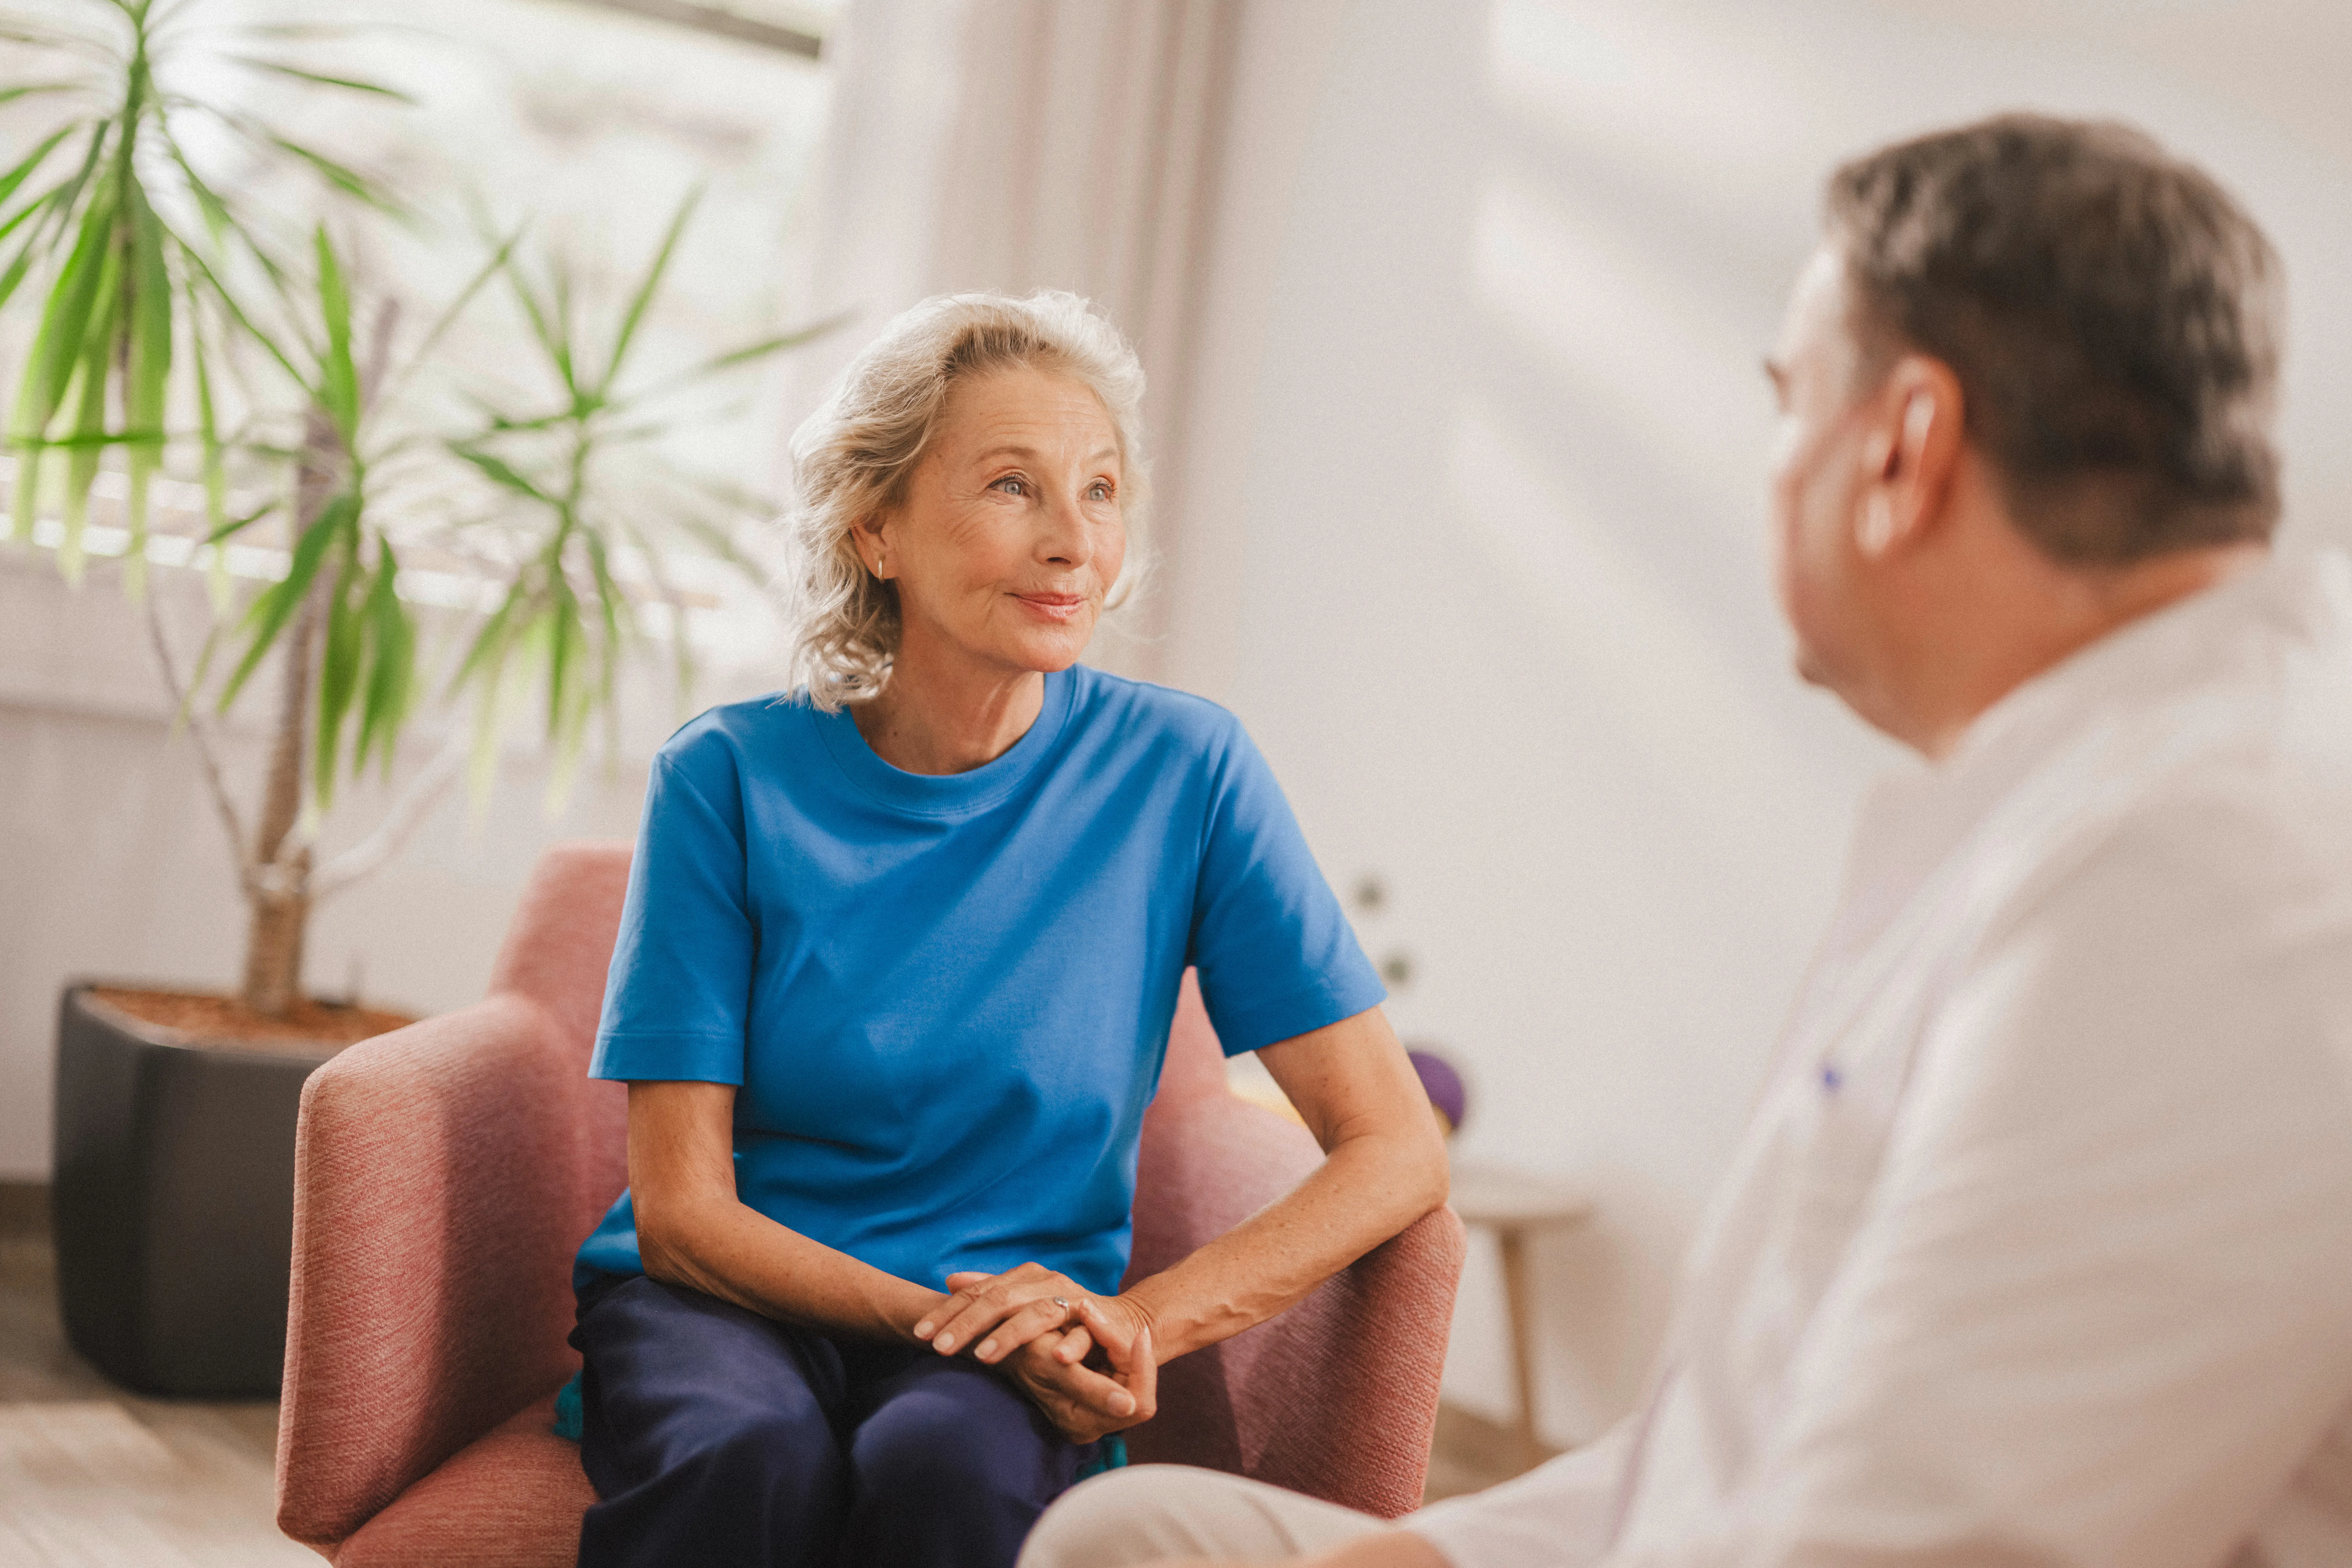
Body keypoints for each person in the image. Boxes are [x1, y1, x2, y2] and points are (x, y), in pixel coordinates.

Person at [1020, 114, 2352, 1568]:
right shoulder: (2096, 799)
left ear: (1905, 447)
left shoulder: (2200, 884)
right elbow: (1740, 1441)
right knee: (1134, 1532)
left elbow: (1898, 1544)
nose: (1771, 466)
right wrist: (1426, 1556)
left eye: (1789, 402)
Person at [565, 289, 1451, 1568]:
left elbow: (1395, 1145)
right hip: (732, 1302)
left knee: (949, 1474)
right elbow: (683, 1213)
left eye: (1100, 491)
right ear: (877, 528)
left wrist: (1139, 1320)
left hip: (1013, 1334)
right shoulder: (726, 778)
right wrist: (935, 1317)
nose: (1073, 542)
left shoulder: (1186, 772)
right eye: (1012, 487)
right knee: (746, 1452)